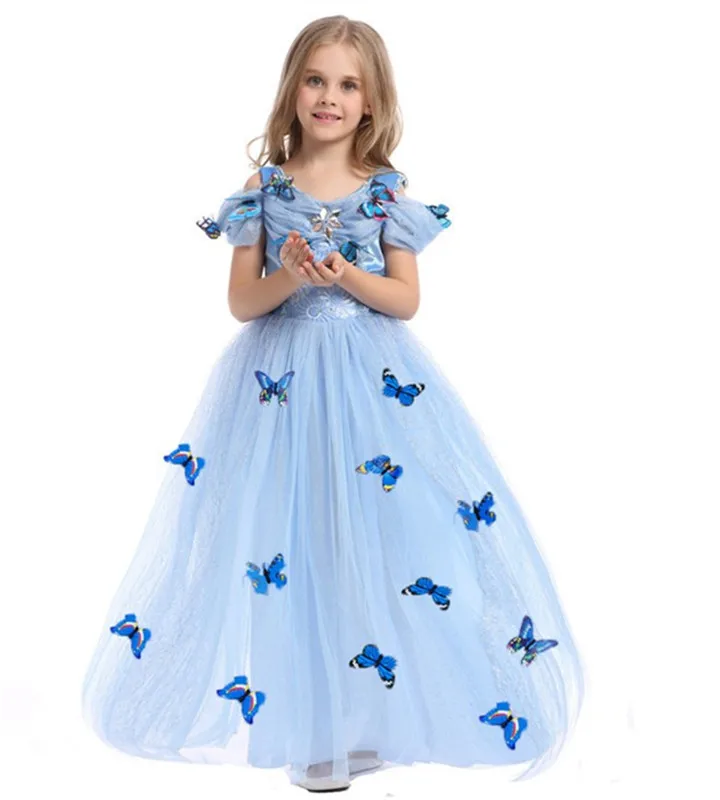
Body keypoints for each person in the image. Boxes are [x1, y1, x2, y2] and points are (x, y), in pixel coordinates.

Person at [81, 14, 584, 794]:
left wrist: (343, 273)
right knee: (293, 549)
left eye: (348, 85)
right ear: (294, 89)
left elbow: (405, 300)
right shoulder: (264, 190)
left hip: (369, 387)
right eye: (316, 80)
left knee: (374, 548)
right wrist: (292, 273)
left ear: (371, 102)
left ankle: (370, 723)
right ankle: (311, 733)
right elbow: (242, 303)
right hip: (277, 392)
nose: (329, 97)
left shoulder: (386, 193)